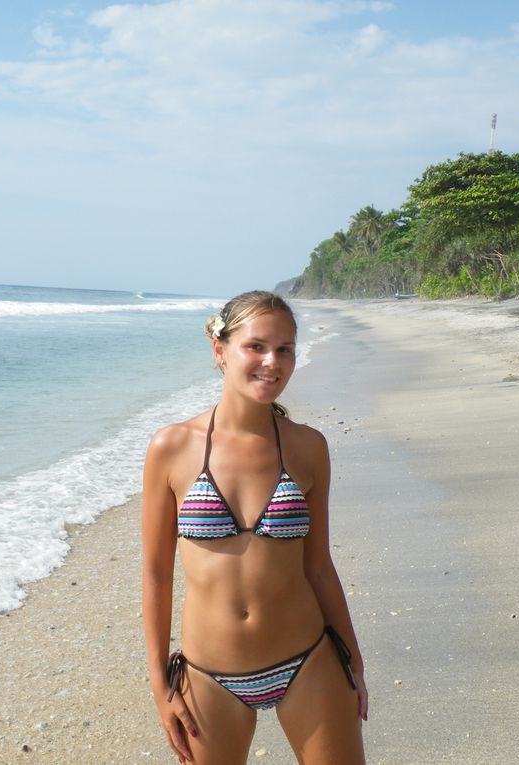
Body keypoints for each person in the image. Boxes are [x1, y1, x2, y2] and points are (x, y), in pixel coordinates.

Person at [142, 290, 368, 764]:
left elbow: (319, 567)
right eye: (257, 346)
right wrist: (160, 684)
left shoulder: (308, 447)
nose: (272, 361)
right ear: (220, 349)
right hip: (208, 676)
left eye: (285, 349)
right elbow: (156, 575)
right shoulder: (173, 447)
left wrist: (353, 657)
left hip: (308, 661)